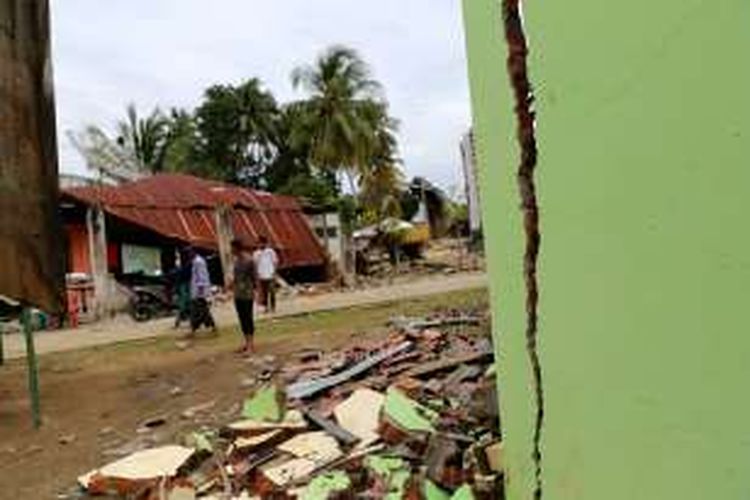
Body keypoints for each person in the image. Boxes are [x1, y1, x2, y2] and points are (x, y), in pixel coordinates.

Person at [229, 239, 256, 354]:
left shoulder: (249, 260)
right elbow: (235, 277)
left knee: (248, 318)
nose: (230, 250)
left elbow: (255, 277)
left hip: (247, 293)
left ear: (237, 247)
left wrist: (258, 293)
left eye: (232, 248)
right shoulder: (236, 261)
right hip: (238, 294)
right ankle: (246, 342)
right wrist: (230, 286)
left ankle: (251, 345)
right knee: (242, 319)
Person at [188, 247, 216, 334]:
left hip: (199, 291)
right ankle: (209, 325)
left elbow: (201, 276)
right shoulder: (195, 261)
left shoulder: (198, 262)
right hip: (197, 290)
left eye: (189, 252)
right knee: (202, 309)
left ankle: (195, 327)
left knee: (197, 310)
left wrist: (200, 290)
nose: (188, 255)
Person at [253, 236, 279, 313]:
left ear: (265, 243)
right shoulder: (256, 253)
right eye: (258, 243)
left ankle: (273, 307)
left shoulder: (271, 252)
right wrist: (256, 275)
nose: (260, 245)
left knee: (272, 291)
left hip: (270, 274)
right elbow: (255, 265)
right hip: (261, 275)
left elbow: (275, 262)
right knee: (263, 293)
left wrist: (274, 272)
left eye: (261, 243)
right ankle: (265, 307)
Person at [172, 249, 192, 328]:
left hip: (184, 286)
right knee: (185, 306)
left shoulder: (185, 266)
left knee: (184, 306)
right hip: (184, 286)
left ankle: (179, 322)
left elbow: (178, 278)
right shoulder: (185, 265)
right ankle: (180, 322)